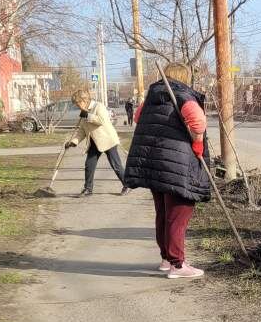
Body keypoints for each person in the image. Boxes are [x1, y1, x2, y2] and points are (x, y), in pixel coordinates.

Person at [123, 63, 211, 279]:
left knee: (163, 212)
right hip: (177, 164)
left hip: (154, 163)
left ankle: (166, 259)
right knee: (178, 214)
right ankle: (178, 266)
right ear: (184, 77)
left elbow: (137, 117)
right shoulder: (181, 95)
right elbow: (198, 122)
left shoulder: (153, 96)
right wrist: (197, 143)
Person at [65, 89, 128, 198]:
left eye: (78, 103)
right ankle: (88, 189)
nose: (77, 106)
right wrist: (73, 142)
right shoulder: (83, 112)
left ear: (84, 100)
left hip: (108, 140)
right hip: (94, 142)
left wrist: (88, 115)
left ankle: (127, 185)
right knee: (89, 165)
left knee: (116, 165)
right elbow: (82, 130)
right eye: (76, 104)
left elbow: (102, 121)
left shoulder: (98, 106)